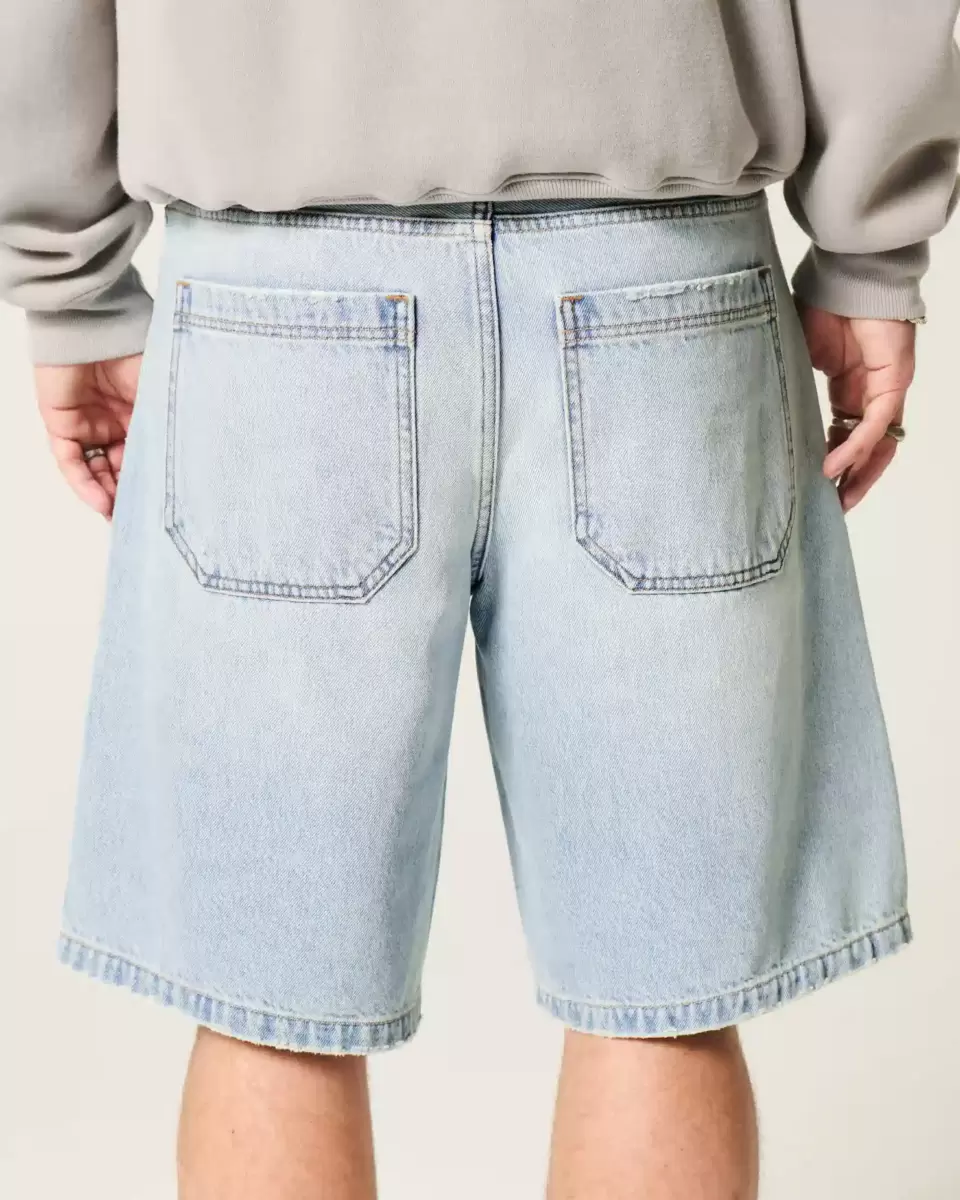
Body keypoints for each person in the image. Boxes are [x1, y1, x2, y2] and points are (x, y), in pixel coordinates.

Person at [3, 2, 958, 1197]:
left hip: (275, 299)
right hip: (662, 282)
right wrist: (871, 246)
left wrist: (70, 279)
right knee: (661, 992)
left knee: (270, 1000)